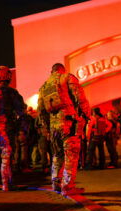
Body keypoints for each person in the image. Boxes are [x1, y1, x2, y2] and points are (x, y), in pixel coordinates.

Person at [38, 63, 90, 196]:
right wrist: (86, 115)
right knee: (71, 155)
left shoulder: (44, 86)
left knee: (57, 155)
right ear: (62, 70)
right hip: (68, 123)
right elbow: (80, 97)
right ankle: (68, 187)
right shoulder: (67, 77)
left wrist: (47, 128)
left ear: (52, 71)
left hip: (53, 126)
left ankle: (56, 183)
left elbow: (41, 111)